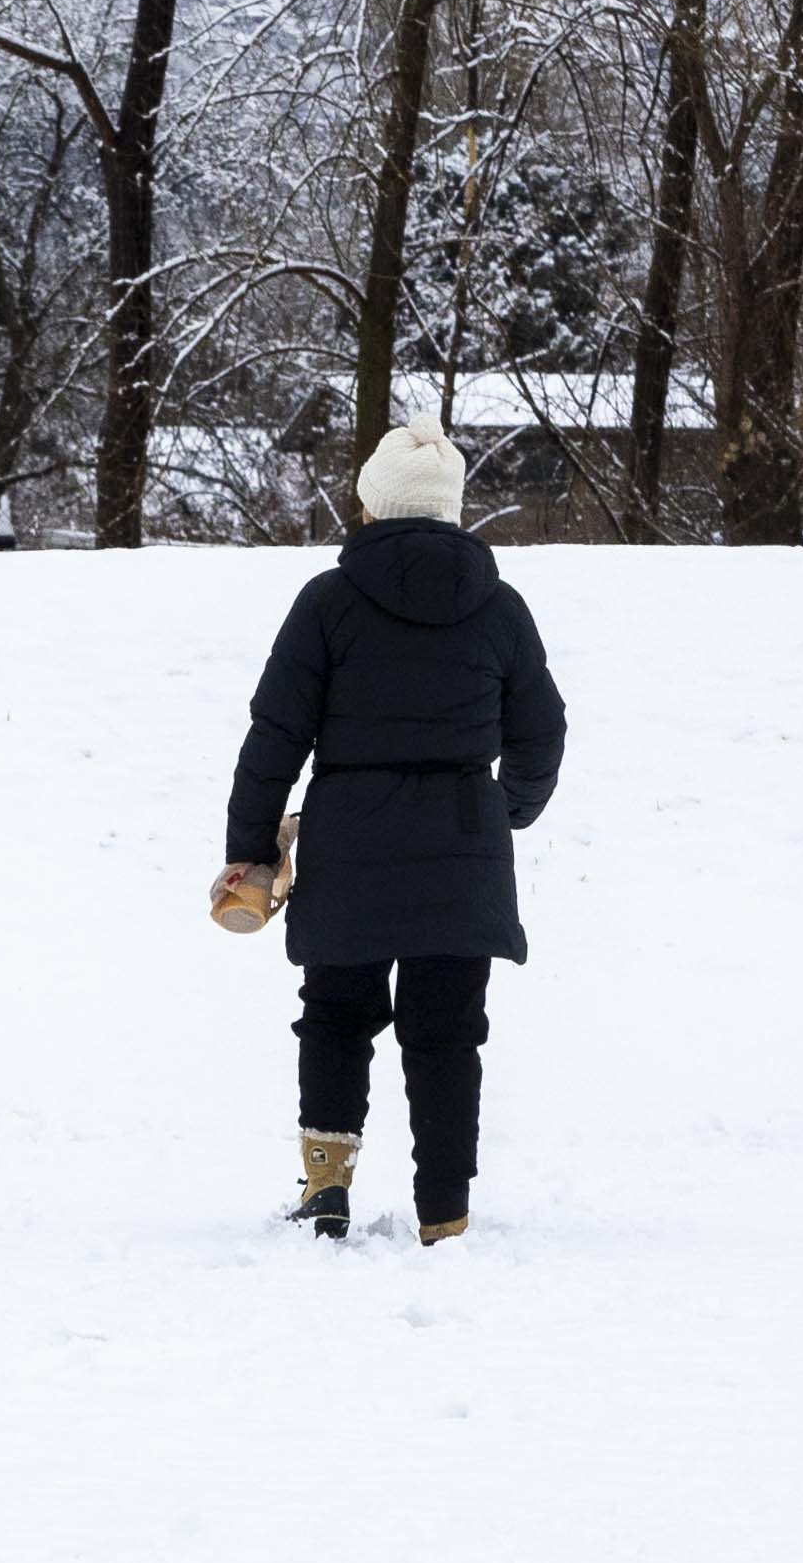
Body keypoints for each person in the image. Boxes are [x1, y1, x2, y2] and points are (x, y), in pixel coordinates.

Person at [216, 416, 565, 1243]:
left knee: (335, 1014)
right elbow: (542, 730)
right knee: (448, 1033)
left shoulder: (328, 603)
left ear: (372, 503)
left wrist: (249, 846)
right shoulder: (500, 606)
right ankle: (445, 1212)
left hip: (350, 843)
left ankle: (326, 1192)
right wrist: (507, 808)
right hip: (462, 843)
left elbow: (276, 734)